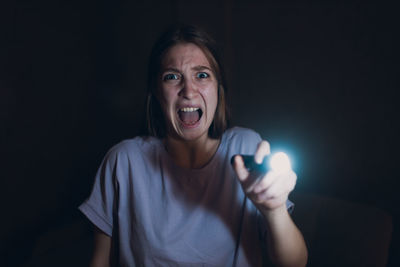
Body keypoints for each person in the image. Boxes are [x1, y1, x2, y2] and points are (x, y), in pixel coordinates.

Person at [79, 24, 308, 267]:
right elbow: (100, 261)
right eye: (172, 77)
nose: (188, 90)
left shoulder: (246, 148)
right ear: (157, 92)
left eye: (201, 75)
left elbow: (294, 264)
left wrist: (274, 210)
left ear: (218, 89)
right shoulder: (123, 161)